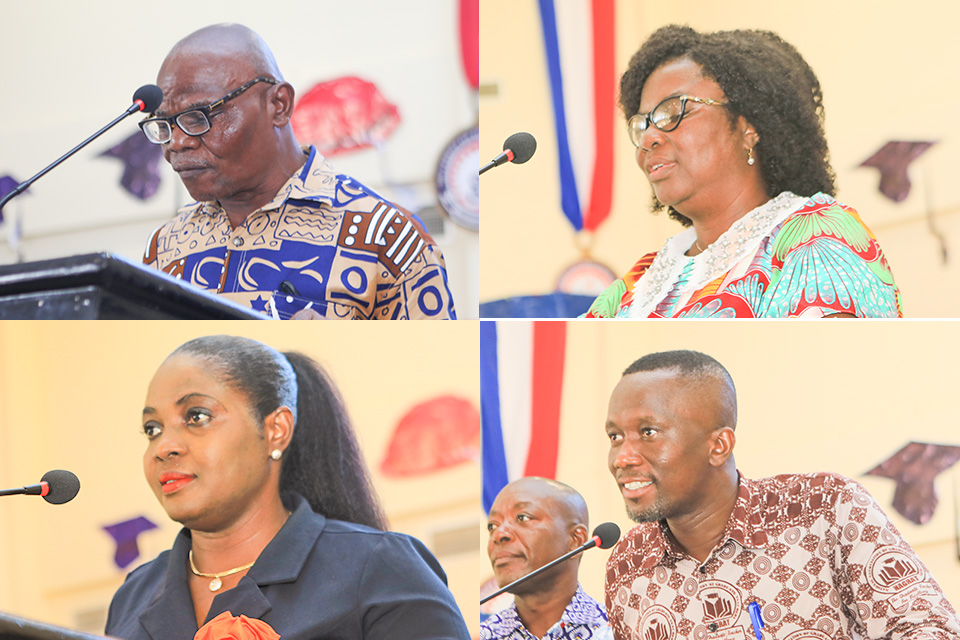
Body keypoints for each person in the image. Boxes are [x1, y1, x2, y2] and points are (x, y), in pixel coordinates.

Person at [105, 335, 469, 640]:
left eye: (197, 417)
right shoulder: (135, 593)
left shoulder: (378, 566)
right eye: (152, 429)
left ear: (276, 430)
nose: (164, 447)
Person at [602, 350, 960, 640]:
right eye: (615, 437)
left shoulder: (824, 507)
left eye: (648, 432)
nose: (623, 458)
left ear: (719, 446)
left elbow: (930, 629)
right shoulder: (627, 564)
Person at [140, 24, 456, 320]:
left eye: (198, 117)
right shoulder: (165, 247)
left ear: (279, 104)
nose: (177, 143)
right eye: (165, 125)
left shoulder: (388, 239)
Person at [583, 26, 901, 318]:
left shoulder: (819, 238)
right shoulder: (633, 285)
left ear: (748, 126)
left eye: (673, 111)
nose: (649, 138)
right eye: (643, 124)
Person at [483, 477, 613, 640]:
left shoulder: (622, 630)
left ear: (576, 540)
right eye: (492, 526)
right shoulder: (484, 634)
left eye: (522, 517)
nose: (499, 534)